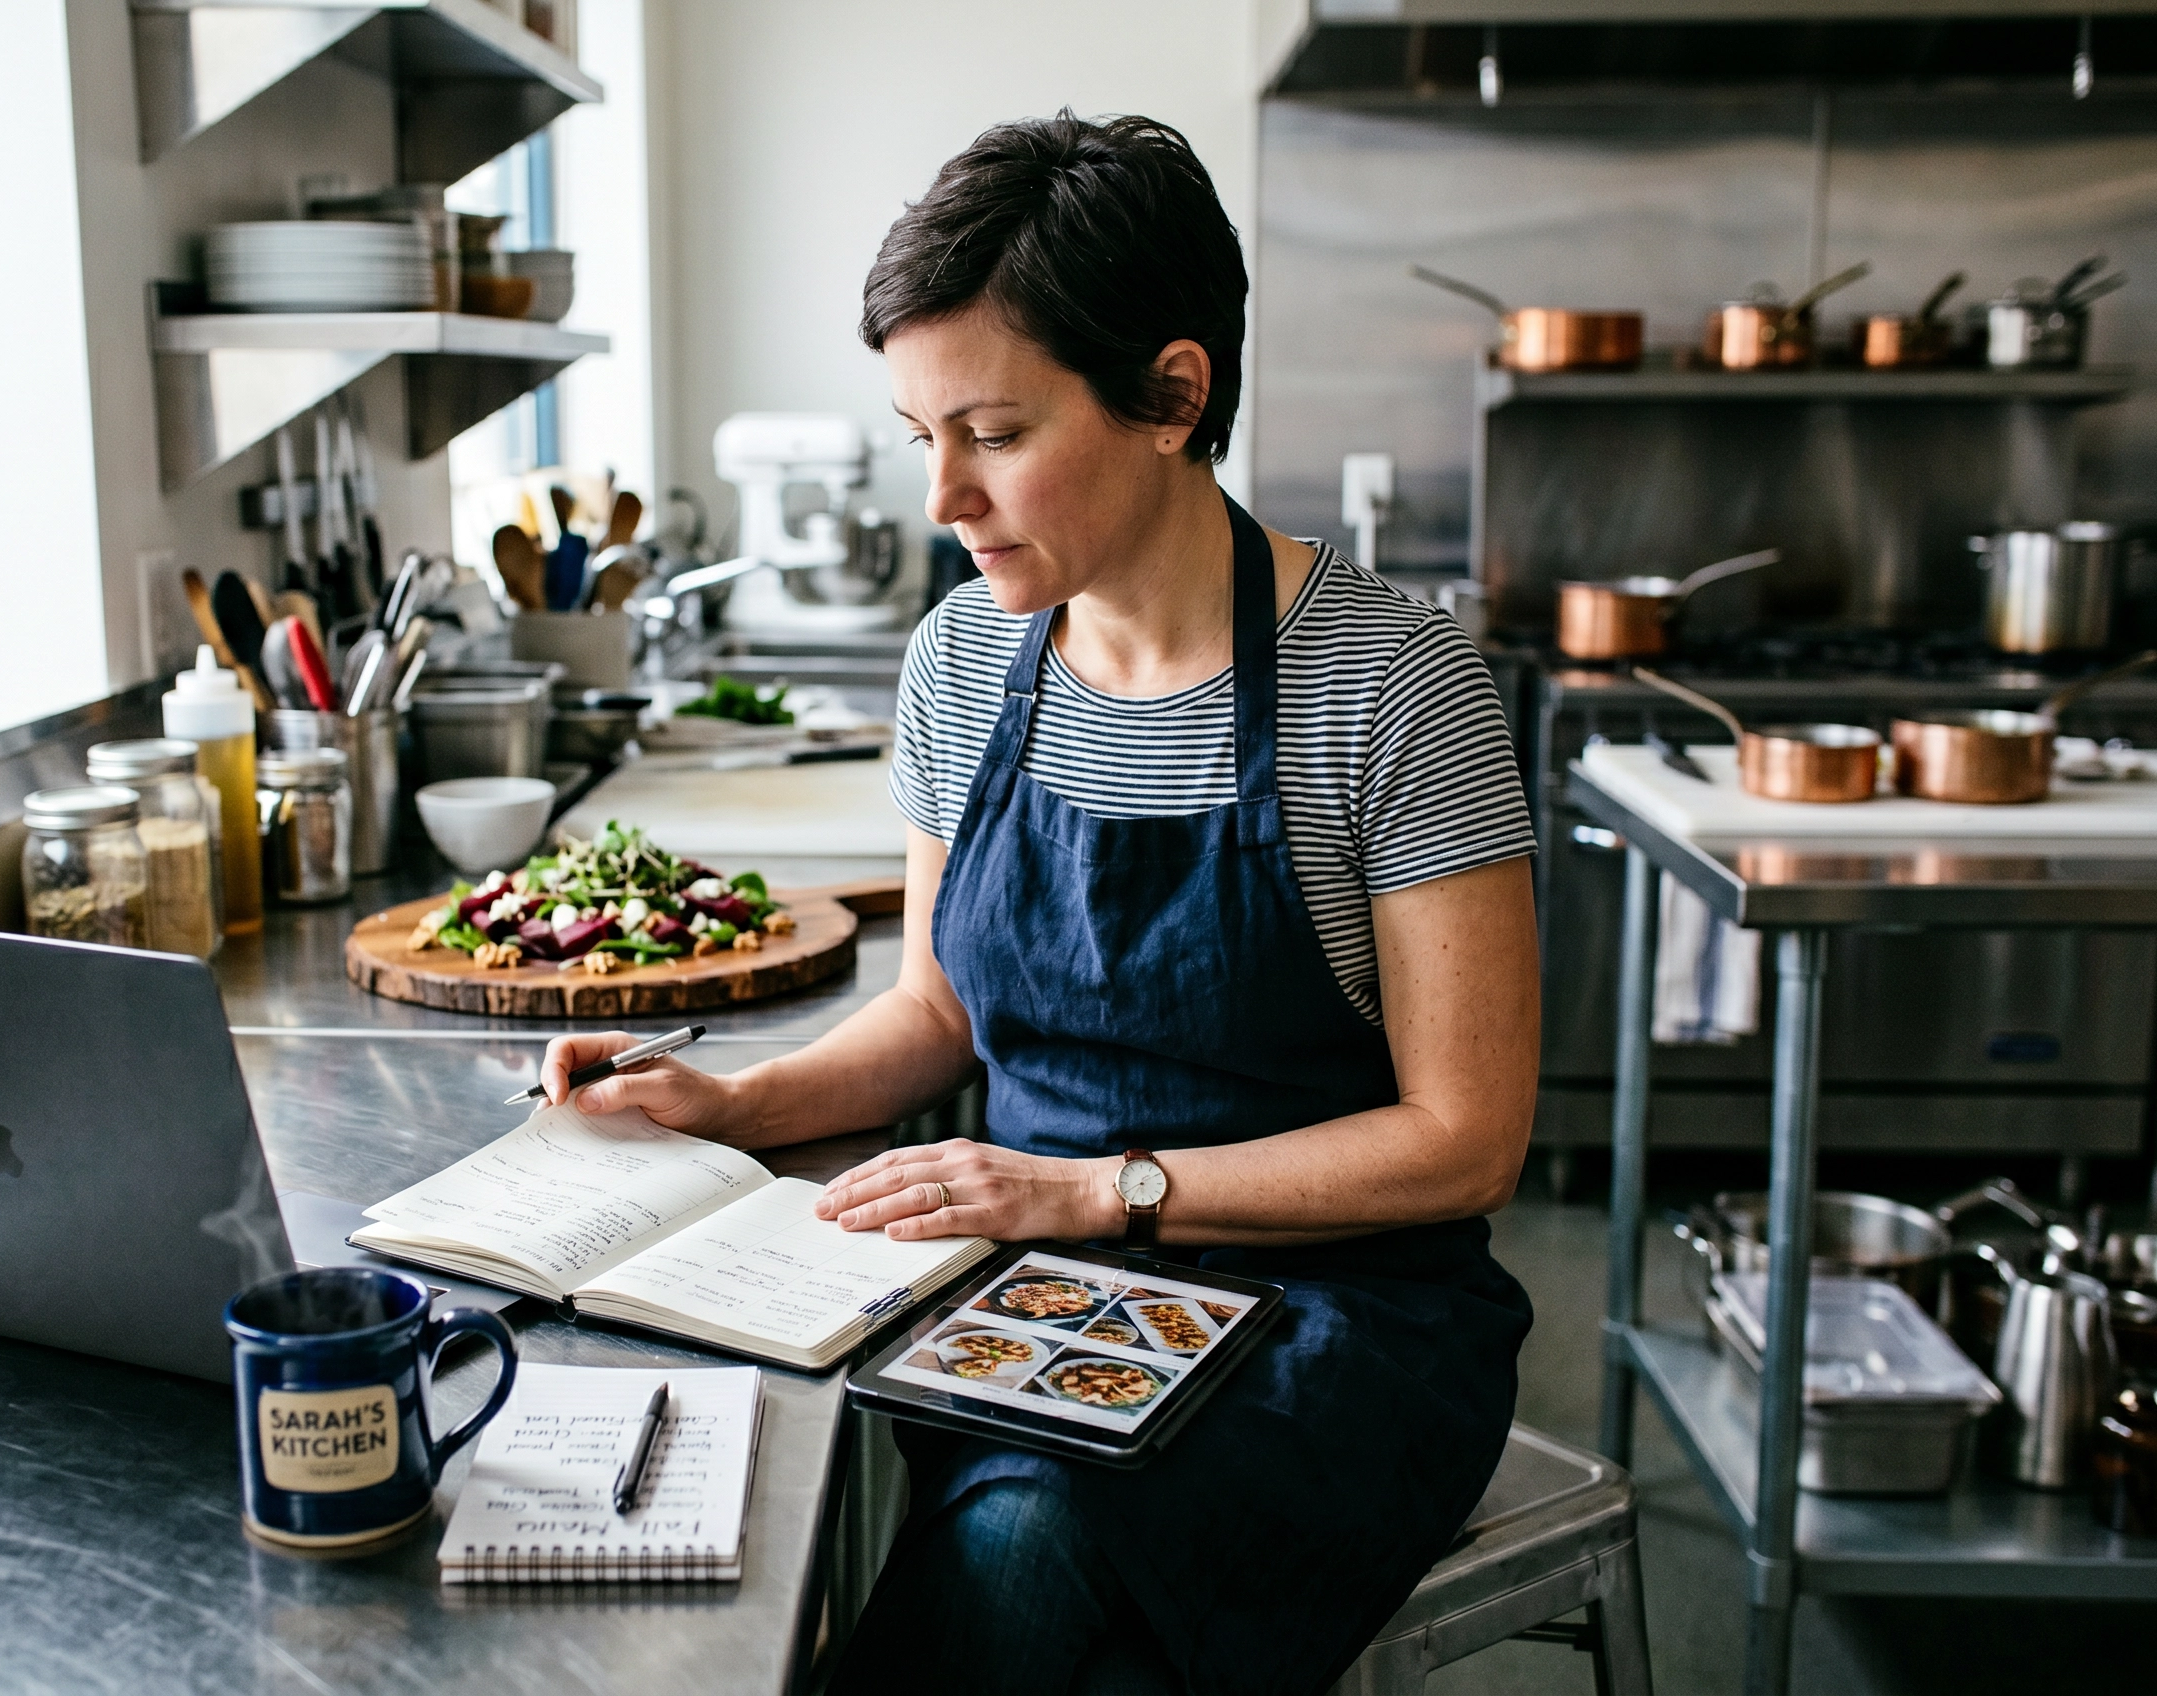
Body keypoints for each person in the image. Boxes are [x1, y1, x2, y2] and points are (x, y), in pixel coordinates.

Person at [537, 112, 1538, 1696]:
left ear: (1173, 395)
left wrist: (1092, 1195)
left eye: (992, 434)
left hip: (1336, 1320)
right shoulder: (964, 661)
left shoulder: (1394, 688)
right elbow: (937, 1011)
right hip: (1015, 1287)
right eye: (918, 430)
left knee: (1031, 1548)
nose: (942, 494)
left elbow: (1467, 1140)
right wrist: (731, 1106)